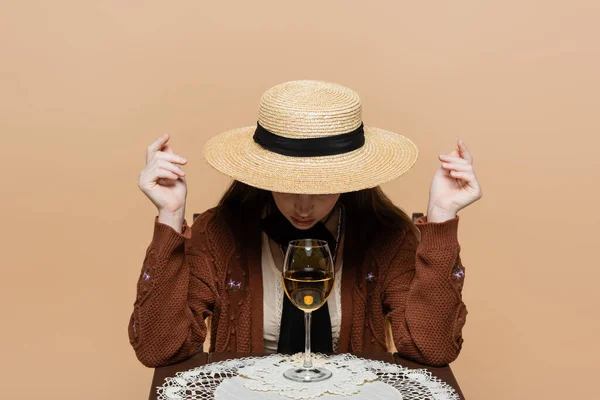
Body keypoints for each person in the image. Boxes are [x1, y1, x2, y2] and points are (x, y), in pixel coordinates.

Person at [128, 80, 483, 368]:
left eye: (322, 187)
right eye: (288, 185)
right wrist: (170, 216)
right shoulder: (219, 232)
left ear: (349, 178)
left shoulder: (387, 234)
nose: (303, 206)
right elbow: (160, 351)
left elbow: (431, 350)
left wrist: (441, 216)